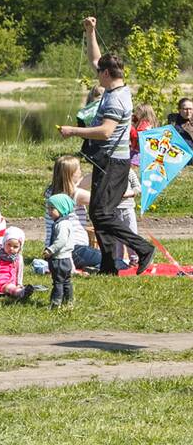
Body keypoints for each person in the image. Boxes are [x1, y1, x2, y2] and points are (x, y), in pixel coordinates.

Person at [60, 16, 154, 275]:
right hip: (108, 162)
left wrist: (72, 131)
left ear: (106, 74)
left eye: (98, 72)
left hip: (114, 163)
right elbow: (95, 59)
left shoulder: (116, 100)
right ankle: (110, 265)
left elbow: (105, 131)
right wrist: (92, 32)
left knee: (101, 214)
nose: (95, 74)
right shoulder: (116, 89)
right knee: (101, 212)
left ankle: (143, 248)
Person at [44, 155, 104, 271]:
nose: (81, 172)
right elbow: (101, 200)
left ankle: (88, 267)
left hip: (53, 249)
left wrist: (99, 170)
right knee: (110, 260)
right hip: (74, 249)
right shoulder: (76, 194)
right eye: (79, 169)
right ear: (71, 174)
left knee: (98, 258)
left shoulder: (51, 191)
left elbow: (82, 182)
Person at [43, 194, 76, 308]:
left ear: (62, 209)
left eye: (52, 208)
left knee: (58, 282)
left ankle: (55, 303)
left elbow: (61, 241)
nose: (49, 211)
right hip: (66, 259)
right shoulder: (64, 223)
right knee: (66, 281)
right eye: (48, 208)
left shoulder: (62, 225)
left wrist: (50, 250)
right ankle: (68, 301)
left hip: (59, 259)